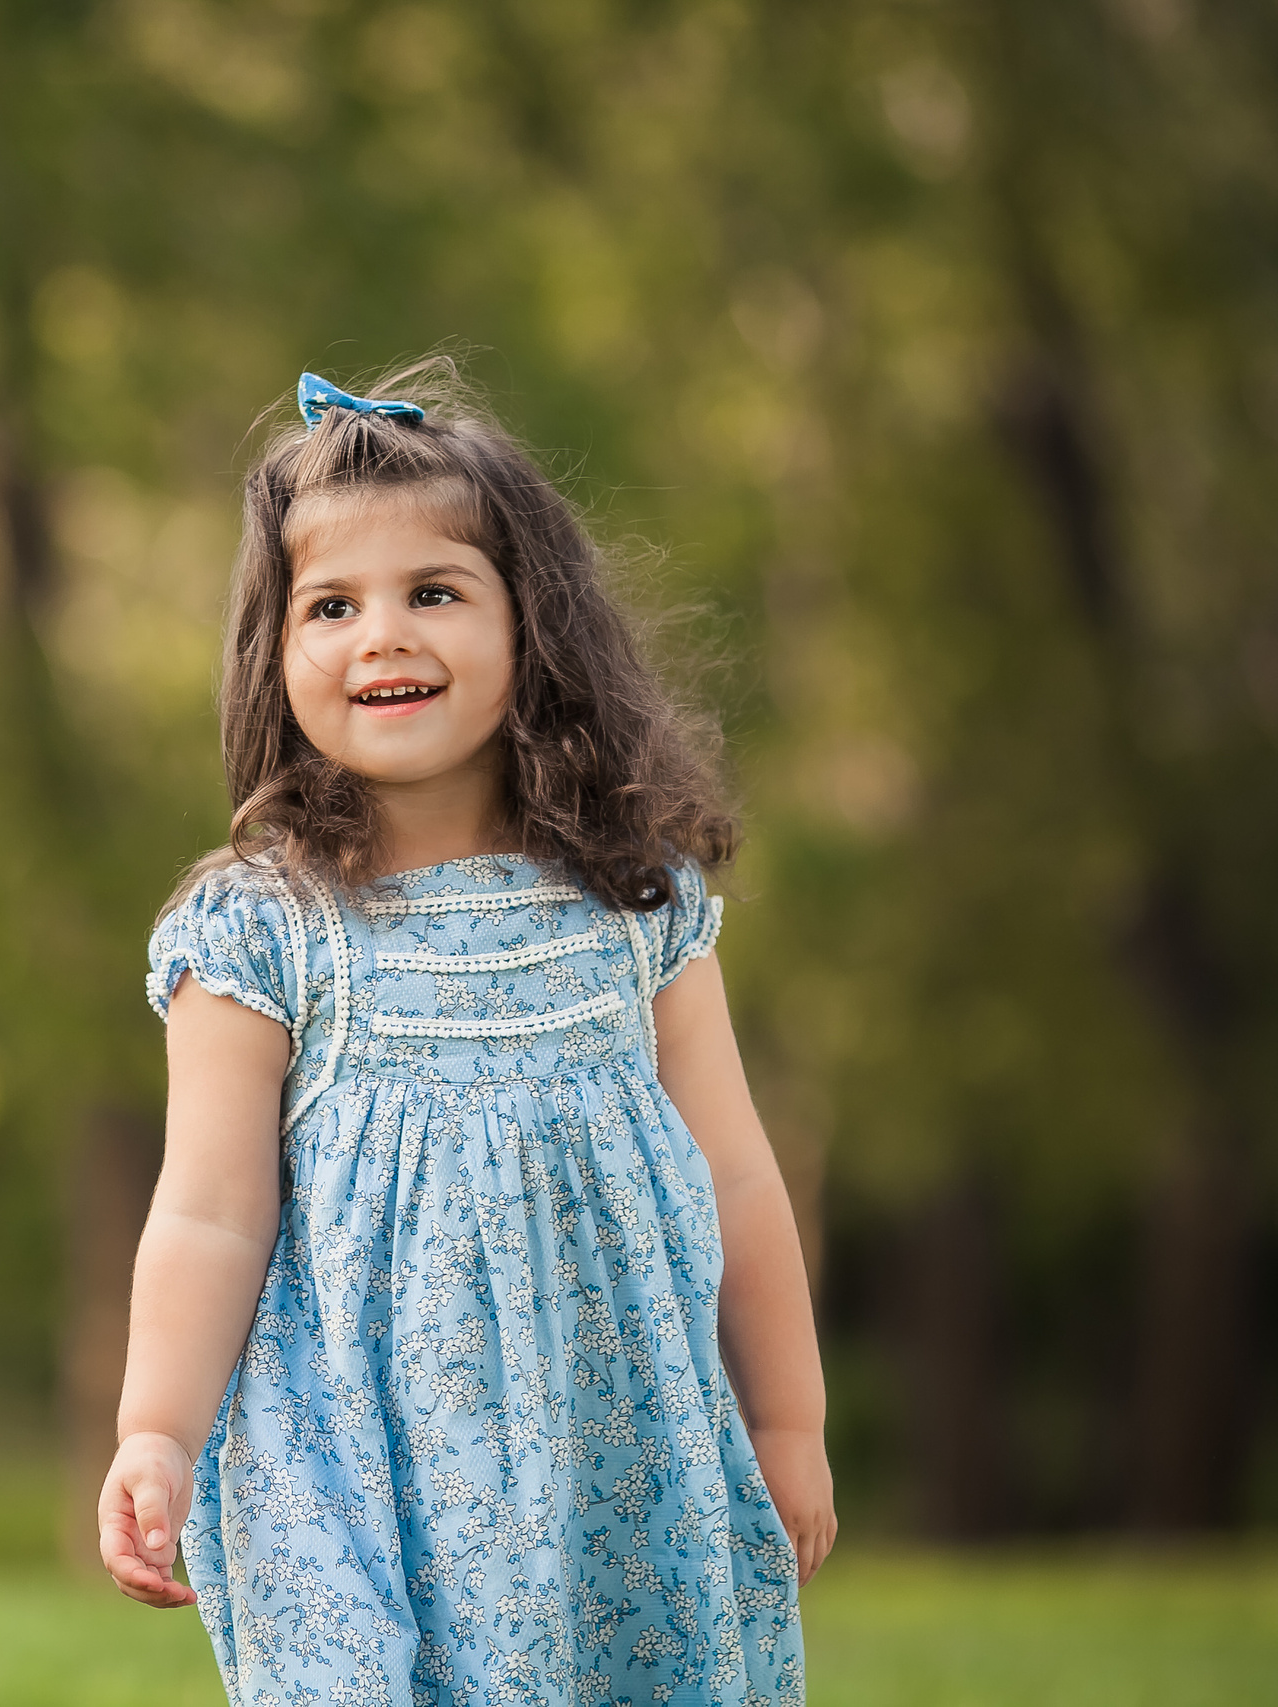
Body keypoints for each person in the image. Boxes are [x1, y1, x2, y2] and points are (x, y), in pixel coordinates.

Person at [97, 363, 833, 1706]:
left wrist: (786, 1421)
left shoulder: (634, 903)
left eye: (433, 592)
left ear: (530, 627)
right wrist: (156, 1427)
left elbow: (733, 1179)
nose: (382, 634)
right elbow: (207, 1214)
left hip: (609, 1452)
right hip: (351, 1475)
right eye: (331, 605)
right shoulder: (262, 934)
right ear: (276, 653)